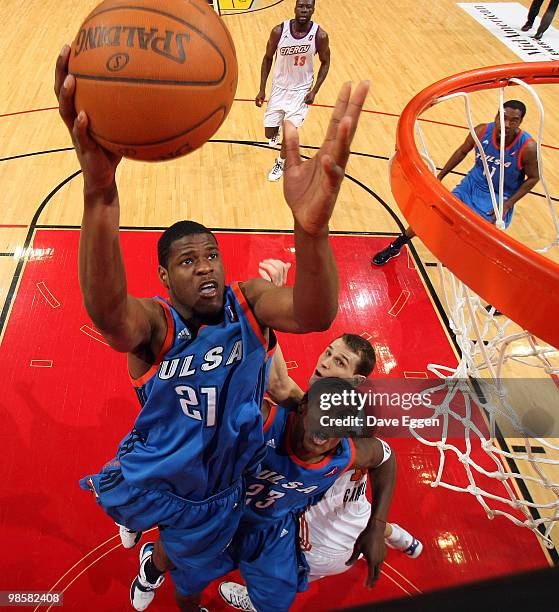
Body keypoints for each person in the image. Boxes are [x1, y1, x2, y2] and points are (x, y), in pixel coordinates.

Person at [54, 43, 369, 612]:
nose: (205, 269)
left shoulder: (246, 301)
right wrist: (100, 193)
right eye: (187, 261)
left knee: (231, 555)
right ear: (164, 275)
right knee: (189, 578)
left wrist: (312, 230)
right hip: (174, 479)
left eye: (211, 256)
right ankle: (157, 565)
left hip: (237, 472)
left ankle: (162, 554)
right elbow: (109, 314)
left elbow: (314, 314)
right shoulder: (157, 324)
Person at [219, 331, 421, 612]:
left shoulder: (333, 429)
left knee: (276, 573)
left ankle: (255, 601)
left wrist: (260, 313)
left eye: (339, 362)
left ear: (356, 380)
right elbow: (384, 455)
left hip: (321, 542)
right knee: (362, 517)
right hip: (356, 514)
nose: (325, 363)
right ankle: (399, 538)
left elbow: (279, 387)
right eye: (327, 352)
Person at [371, 100, 539, 266]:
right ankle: (397, 245)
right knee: (431, 213)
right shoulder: (482, 131)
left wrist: (508, 204)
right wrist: (441, 176)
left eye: (513, 120)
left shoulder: (528, 148)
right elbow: (461, 151)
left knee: (474, 239)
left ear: (520, 122)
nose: (507, 124)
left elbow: (533, 177)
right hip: (470, 186)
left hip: (498, 198)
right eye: (503, 117)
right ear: (497, 115)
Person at [255, 0, 330, 182]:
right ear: (295, 8)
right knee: (269, 133)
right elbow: (267, 58)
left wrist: (314, 91)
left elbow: (326, 62)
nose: (304, 10)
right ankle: (277, 131)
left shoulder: (319, 35)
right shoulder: (279, 32)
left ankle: (281, 162)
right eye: (301, 6)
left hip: (301, 90)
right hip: (279, 87)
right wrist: (261, 89)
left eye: (308, 7)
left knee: (290, 131)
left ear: (313, 9)